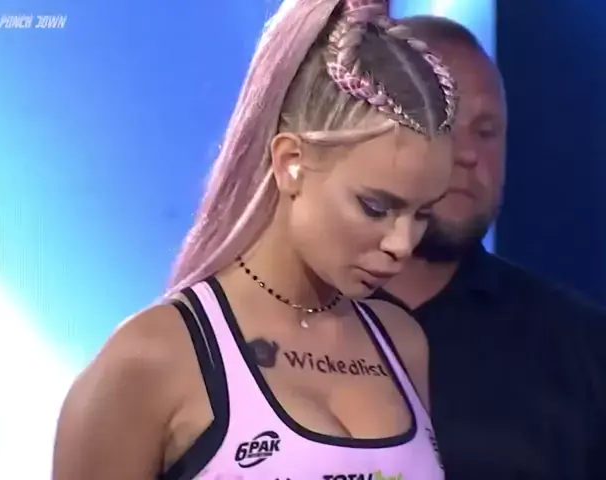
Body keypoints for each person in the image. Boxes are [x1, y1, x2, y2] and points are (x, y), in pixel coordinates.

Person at [52, 1, 458, 479]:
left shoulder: (403, 342)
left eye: (422, 214)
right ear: (291, 162)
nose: (402, 244)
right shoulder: (153, 359)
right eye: (375, 207)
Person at [374, 15, 606, 480]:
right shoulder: (265, 320)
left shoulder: (583, 349)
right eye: (442, 121)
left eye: (485, 131)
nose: (467, 154)